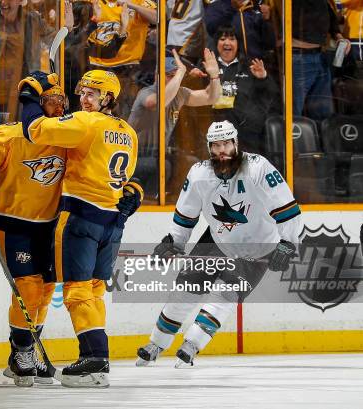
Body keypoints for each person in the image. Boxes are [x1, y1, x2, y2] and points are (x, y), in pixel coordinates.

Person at [135, 120, 302, 367]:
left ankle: (192, 344)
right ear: (209, 148)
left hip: (259, 245)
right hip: (218, 239)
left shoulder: (258, 168)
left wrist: (288, 242)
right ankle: (156, 343)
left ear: (236, 143)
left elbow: (286, 207)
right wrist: (174, 242)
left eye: (226, 144)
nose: (221, 150)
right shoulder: (199, 173)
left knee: (225, 293)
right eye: (216, 146)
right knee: (185, 289)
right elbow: (185, 214)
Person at [18, 69, 143, 388]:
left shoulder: (87, 122)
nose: (83, 99)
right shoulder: (128, 131)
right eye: (82, 93)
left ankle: (94, 358)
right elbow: (127, 180)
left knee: (76, 290)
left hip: (82, 217)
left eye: (92, 94)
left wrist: (31, 95)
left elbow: (35, 130)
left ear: (109, 99)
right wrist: (135, 193)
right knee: (95, 291)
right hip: (113, 223)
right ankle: (96, 358)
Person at [0, 85, 68, 387]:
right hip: (14, 222)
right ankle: (22, 352)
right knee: (29, 288)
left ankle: (28, 350)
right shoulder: (11, 134)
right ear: (35, 103)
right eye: (50, 101)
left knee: (47, 289)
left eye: (61, 101)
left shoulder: (67, 133)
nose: (58, 107)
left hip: (50, 224)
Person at [212, 25, 280, 154]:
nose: (227, 42)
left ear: (238, 44)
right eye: (222, 39)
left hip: (249, 133)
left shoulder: (250, 66)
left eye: (232, 39)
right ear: (216, 43)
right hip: (217, 132)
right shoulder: (207, 65)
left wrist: (263, 78)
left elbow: (272, 93)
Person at [87, 0, 157, 117]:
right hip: (95, 66)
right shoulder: (96, 2)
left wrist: (130, 4)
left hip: (126, 69)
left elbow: (156, 17)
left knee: (123, 114)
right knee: (92, 112)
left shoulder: (140, 2)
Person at [292, 0, 350, 120]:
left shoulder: (323, 3)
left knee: (323, 113)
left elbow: (331, 18)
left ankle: (319, 136)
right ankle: (293, 136)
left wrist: (339, 36)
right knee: (294, 113)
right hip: (299, 56)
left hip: (319, 56)